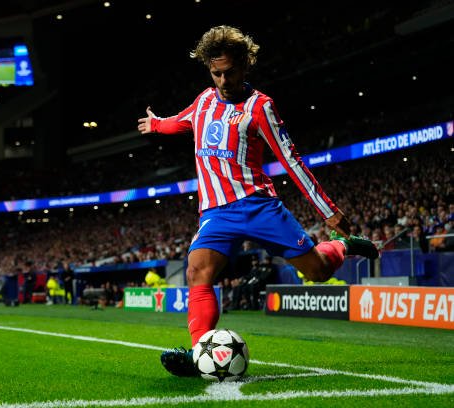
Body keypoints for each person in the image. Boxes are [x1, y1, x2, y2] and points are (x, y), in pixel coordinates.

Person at [137, 25, 379, 377]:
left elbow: (290, 159)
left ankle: (340, 246)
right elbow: (181, 122)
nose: (222, 80)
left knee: (318, 271)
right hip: (216, 212)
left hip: (258, 204)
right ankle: (200, 354)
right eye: (215, 73)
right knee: (197, 271)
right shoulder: (204, 100)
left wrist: (328, 211)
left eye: (229, 72)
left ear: (245, 65)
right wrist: (157, 124)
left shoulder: (260, 107)